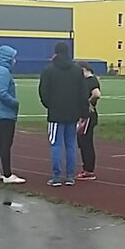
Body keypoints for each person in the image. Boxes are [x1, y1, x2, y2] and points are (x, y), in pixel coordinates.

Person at [38, 41, 88, 186]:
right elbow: (83, 93)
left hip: (55, 114)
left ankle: (56, 176)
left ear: (56, 52)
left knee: (56, 144)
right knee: (71, 144)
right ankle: (70, 176)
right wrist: (82, 111)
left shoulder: (48, 70)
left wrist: (50, 106)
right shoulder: (77, 70)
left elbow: (43, 92)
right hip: (72, 114)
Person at [0, 45, 25, 184]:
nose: (15, 60)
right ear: (7, 58)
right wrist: (14, 103)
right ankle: (7, 174)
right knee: (5, 143)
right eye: (13, 58)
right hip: (5, 113)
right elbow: (2, 93)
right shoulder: (4, 72)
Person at [76, 63, 102, 180]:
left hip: (87, 116)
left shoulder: (91, 81)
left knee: (86, 143)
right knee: (83, 142)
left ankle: (88, 170)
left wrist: (89, 103)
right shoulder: (88, 81)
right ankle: (87, 168)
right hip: (85, 115)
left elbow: (96, 94)